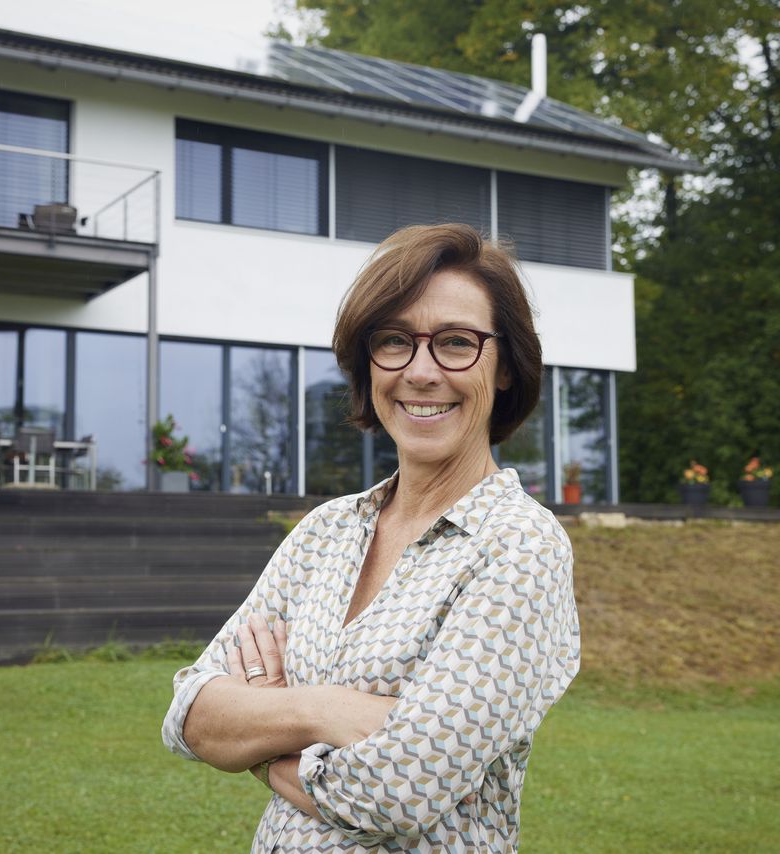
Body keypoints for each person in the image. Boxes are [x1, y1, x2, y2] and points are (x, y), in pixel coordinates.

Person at [161, 223, 581, 851]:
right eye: (393, 342)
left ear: (504, 369)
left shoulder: (518, 547)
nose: (420, 371)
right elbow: (190, 715)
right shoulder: (326, 531)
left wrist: (262, 740)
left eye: (456, 343)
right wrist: (322, 710)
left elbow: (396, 791)